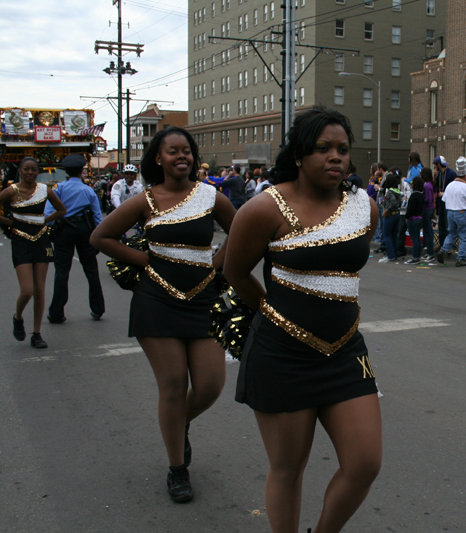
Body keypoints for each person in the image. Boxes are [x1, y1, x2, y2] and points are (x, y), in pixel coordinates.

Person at [223, 105, 381, 533]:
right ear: (298, 154)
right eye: (323, 148)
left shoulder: (363, 206)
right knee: (288, 469)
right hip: (281, 356)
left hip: (345, 351)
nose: (336, 157)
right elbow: (235, 272)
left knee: (365, 463)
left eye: (343, 149)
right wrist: (270, 313)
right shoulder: (262, 209)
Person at [90, 126, 237, 502]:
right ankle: (177, 470)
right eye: (172, 151)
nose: (181, 156)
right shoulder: (146, 200)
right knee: (172, 386)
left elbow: (241, 233)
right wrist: (147, 261)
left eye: (186, 151)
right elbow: (100, 238)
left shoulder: (211, 196)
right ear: (158, 158)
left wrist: (216, 265)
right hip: (156, 302)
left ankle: (179, 423)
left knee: (209, 386)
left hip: (203, 300)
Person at [0, 157, 66, 348]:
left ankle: (36, 333)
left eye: (34, 170)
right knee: (27, 290)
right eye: (26, 169)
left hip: (41, 240)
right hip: (20, 241)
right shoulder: (11, 190)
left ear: (38, 172)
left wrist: (44, 222)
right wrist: (11, 223)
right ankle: (17, 316)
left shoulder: (44, 190)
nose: (30, 173)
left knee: (39, 289)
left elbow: (62, 210)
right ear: (20, 170)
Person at [44, 154, 105, 323]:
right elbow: (97, 217)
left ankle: (56, 313)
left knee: (62, 272)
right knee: (91, 270)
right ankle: (98, 309)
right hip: (85, 230)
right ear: (81, 171)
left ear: (66, 172)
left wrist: (50, 230)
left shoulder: (58, 188)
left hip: (63, 231)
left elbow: (49, 213)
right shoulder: (88, 190)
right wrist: (99, 237)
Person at [436, 156, 466, 267]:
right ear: (465, 175)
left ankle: (443, 250)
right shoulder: (465, 187)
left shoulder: (450, 185)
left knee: (451, 234)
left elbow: (444, 199)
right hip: (461, 212)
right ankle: (461, 258)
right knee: (464, 236)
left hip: (450, 212)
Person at [378, 172, 402, 263]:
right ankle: (394, 254)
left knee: (387, 235)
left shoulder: (390, 192)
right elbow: (398, 203)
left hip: (390, 215)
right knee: (393, 235)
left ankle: (390, 255)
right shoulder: (398, 191)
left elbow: (393, 202)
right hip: (397, 214)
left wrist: (386, 211)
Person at [433, 156, 456, 247]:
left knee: (448, 226)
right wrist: (434, 176)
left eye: (435, 165)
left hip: (448, 204)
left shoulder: (451, 174)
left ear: (439, 164)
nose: (434, 167)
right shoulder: (439, 174)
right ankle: (442, 244)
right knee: (441, 225)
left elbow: (454, 188)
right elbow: (435, 185)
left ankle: (450, 245)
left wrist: (445, 193)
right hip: (441, 203)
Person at [404, 176, 425, 264]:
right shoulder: (421, 195)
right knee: (417, 239)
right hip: (419, 218)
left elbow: (411, 208)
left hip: (412, 219)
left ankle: (414, 257)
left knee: (414, 239)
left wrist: (406, 216)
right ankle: (418, 256)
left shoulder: (414, 195)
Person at [421, 167, 436, 261]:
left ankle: (430, 252)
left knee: (428, 232)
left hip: (427, 209)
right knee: (427, 232)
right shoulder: (429, 185)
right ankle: (429, 252)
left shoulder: (427, 186)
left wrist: (421, 199)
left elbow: (428, 199)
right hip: (429, 209)